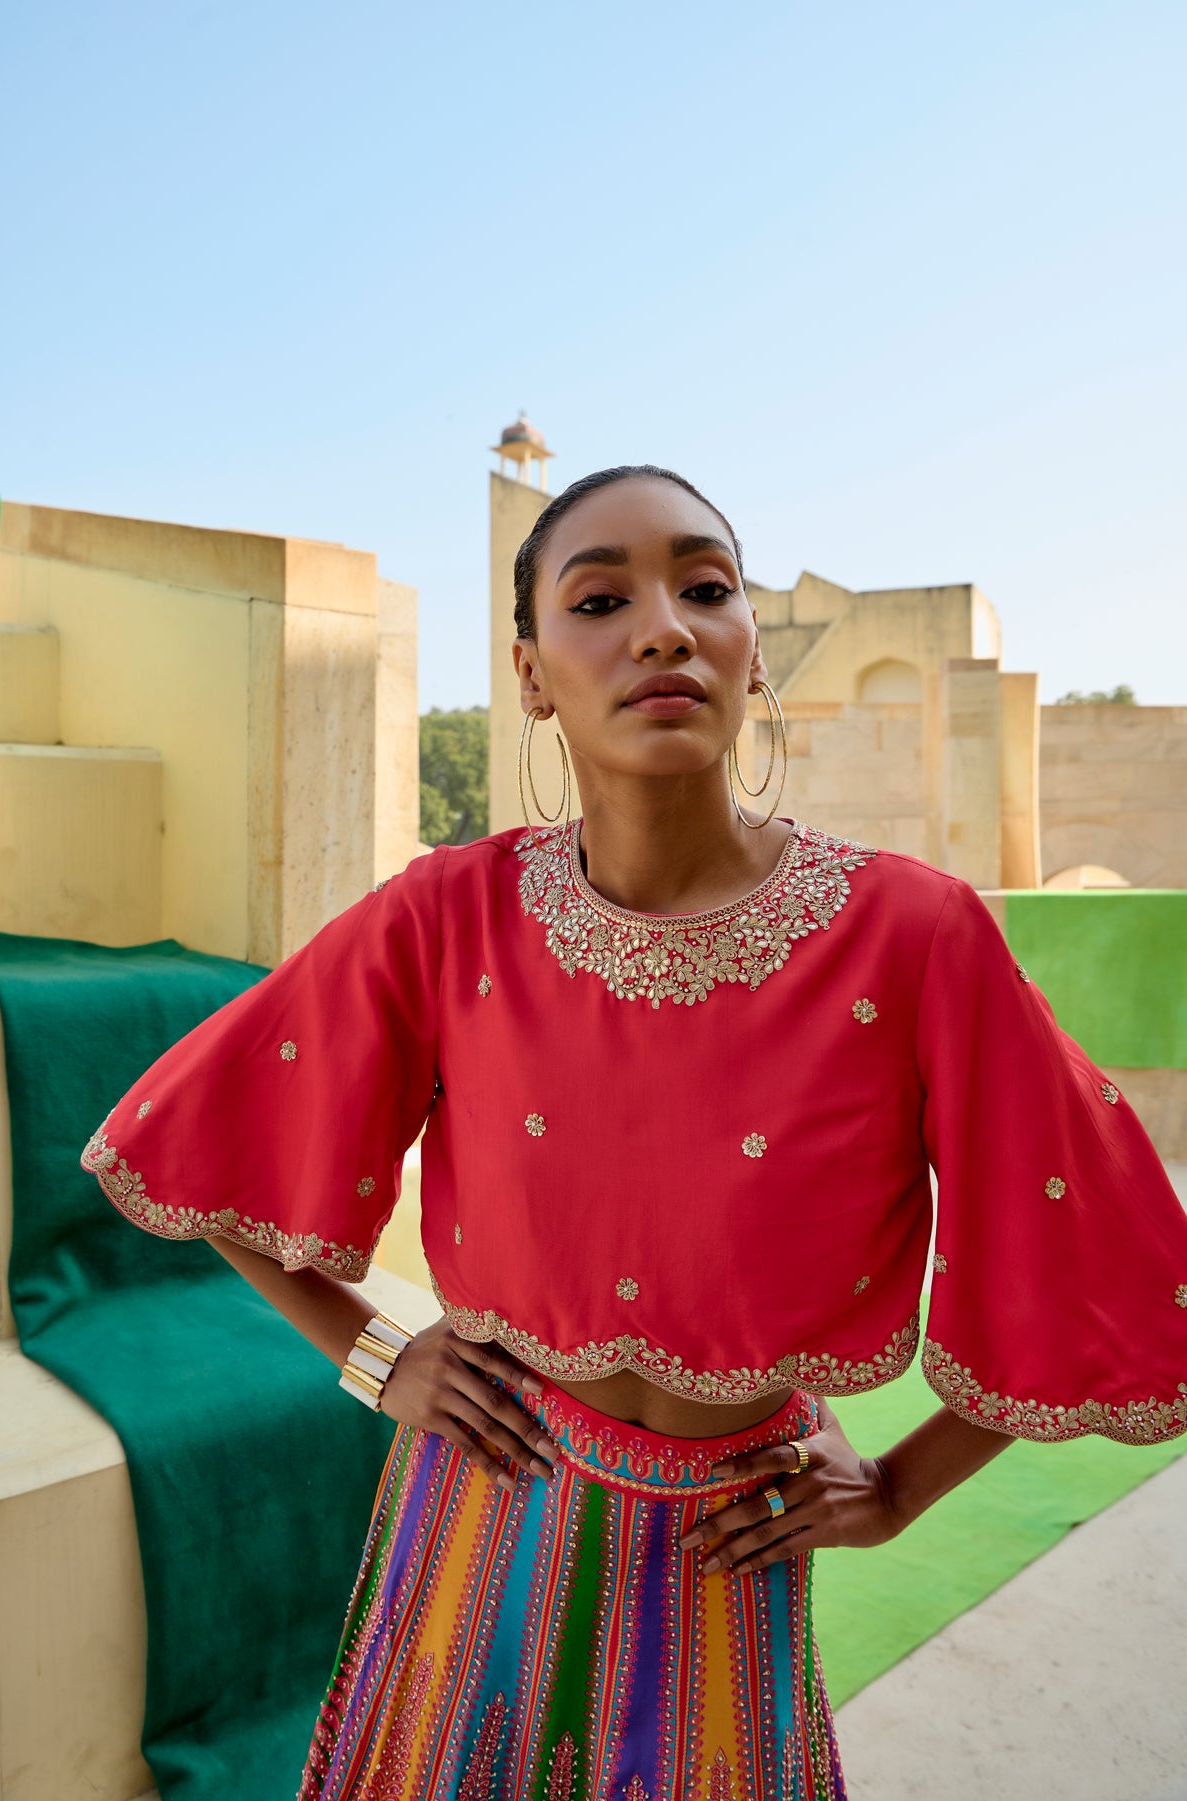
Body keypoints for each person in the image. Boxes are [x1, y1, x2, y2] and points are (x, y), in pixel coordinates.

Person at [82, 465, 1187, 1801]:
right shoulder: (450, 917)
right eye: (602, 598)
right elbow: (189, 1136)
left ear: (749, 652)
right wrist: (381, 1354)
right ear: (533, 671)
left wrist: (900, 1488)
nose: (664, 626)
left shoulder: (913, 933)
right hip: (482, 1527)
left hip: (732, 1558)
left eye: (705, 587)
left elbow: (1108, 1246)